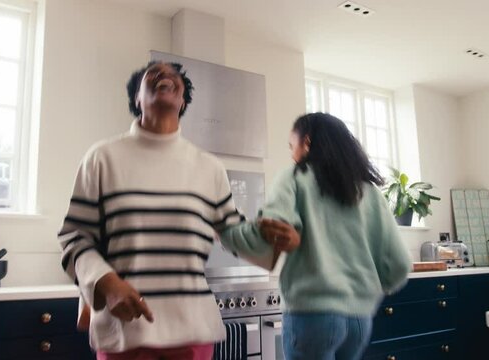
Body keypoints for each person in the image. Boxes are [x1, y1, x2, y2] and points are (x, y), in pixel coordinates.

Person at [58, 61, 295, 360]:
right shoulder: (101, 158)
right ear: (137, 99)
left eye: (173, 75)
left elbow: (232, 231)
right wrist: (106, 283)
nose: (164, 74)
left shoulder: (209, 167)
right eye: (152, 73)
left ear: (182, 101)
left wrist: (269, 237)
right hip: (126, 334)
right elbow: (74, 237)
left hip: (193, 334)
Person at [220, 112, 412, 360]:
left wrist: (222, 230)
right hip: (359, 321)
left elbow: (268, 234)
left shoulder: (296, 176)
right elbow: (399, 264)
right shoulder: (369, 191)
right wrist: (366, 290)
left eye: (292, 146)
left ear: (307, 142)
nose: (292, 154)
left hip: (312, 315)